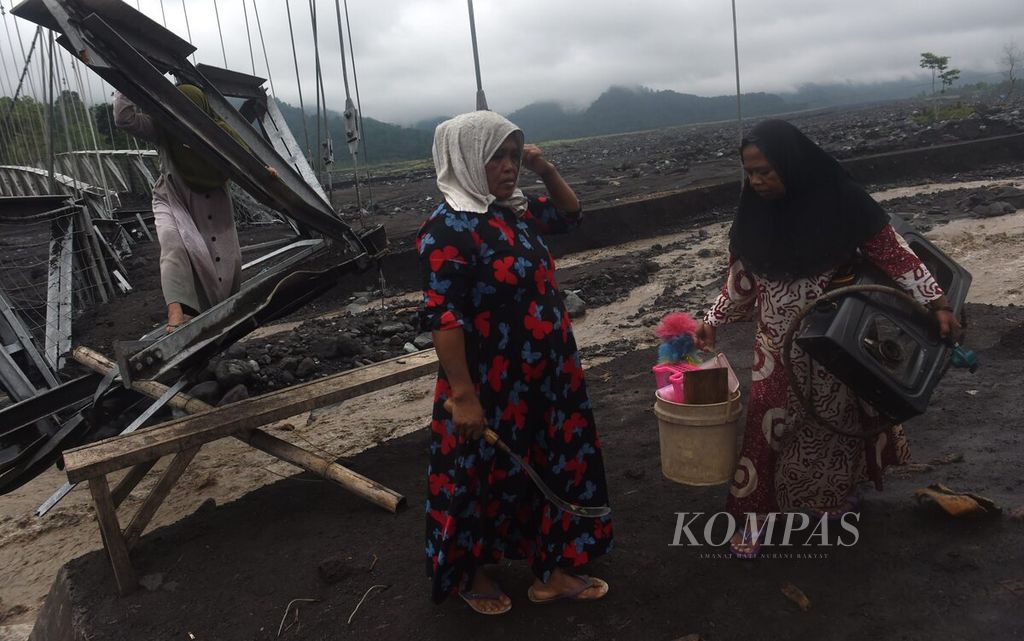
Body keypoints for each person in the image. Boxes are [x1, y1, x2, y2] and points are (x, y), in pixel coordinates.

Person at [695, 119, 961, 557]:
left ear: (792, 164)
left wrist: (938, 303)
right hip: (776, 346)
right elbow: (740, 284)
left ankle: (828, 500)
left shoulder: (841, 200)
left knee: (834, 425)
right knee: (766, 424)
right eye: (750, 172)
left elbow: (895, 256)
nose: (757, 181)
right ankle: (752, 518)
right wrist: (711, 319)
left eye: (766, 170)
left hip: (839, 339)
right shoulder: (753, 216)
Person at [418, 111, 613, 615]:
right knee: (480, 474)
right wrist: (462, 395)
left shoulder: (516, 211)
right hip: (490, 381)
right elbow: (444, 316)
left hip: (547, 374)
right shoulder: (447, 228)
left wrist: (544, 169)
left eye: (513, 156)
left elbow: (571, 215)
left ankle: (552, 567)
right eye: (496, 157)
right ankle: (470, 569)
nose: (509, 167)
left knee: (551, 462)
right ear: (464, 159)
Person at [114, 84, 276, 331]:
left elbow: (244, 158)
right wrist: (123, 81)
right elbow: (124, 119)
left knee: (222, 264)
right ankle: (176, 312)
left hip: (213, 206)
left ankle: (218, 321)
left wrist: (264, 171)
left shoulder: (220, 134)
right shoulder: (165, 129)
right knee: (173, 245)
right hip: (173, 199)